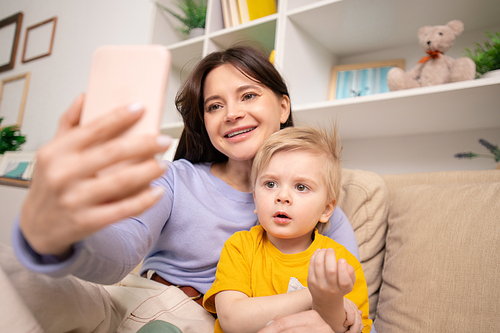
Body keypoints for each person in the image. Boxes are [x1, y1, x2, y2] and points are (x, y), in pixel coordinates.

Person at [3, 46, 364, 332]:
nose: (232, 113)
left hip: (194, 322)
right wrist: (59, 237)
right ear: (204, 122)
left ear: (283, 105)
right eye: (214, 105)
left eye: (248, 96)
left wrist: (337, 321)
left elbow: (352, 309)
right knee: (12, 270)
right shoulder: (174, 177)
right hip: (123, 299)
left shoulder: (320, 211)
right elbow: (121, 251)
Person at [203, 126, 372, 333]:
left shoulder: (340, 265)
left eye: (301, 187)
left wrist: (331, 302)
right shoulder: (240, 247)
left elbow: (351, 328)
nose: (282, 196)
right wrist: (314, 295)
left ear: (326, 209)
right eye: (271, 184)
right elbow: (231, 320)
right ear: (255, 199)